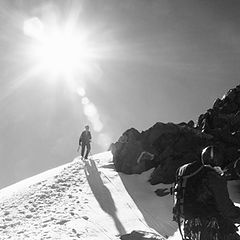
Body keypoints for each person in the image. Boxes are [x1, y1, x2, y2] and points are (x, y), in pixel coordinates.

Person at [175, 145, 240, 240]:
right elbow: (225, 208)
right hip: (212, 229)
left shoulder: (193, 176)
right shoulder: (213, 176)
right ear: (216, 159)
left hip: (191, 229)